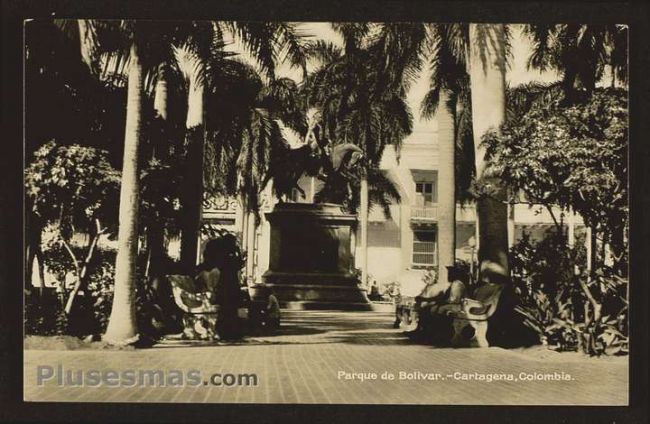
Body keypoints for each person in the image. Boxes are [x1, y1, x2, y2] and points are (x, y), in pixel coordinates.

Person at [195, 234, 246, 340]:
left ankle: (229, 330)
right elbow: (236, 266)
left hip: (227, 287)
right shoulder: (224, 256)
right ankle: (229, 331)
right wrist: (237, 253)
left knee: (230, 308)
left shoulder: (226, 255)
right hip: (226, 288)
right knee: (229, 308)